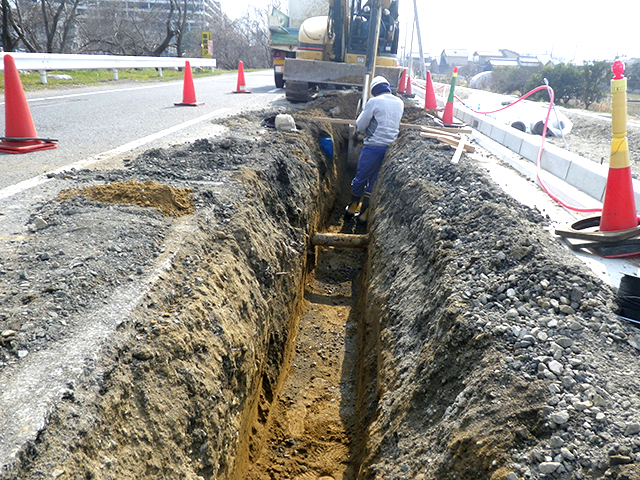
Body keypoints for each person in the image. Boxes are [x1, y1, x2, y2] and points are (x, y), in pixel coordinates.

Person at [345, 75, 404, 223]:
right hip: (391, 148)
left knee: (360, 178)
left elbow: (360, 125)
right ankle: (364, 215)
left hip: (373, 147)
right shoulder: (399, 102)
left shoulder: (374, 101)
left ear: (374, 90)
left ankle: (352, 208)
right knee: (373, 182)